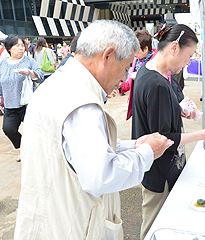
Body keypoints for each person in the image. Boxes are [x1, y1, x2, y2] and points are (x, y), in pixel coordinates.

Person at [14, 20, 173, 240]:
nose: (124, 79)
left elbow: (80, 151)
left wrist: (134, 145)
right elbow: (101, 176)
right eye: (126, 68)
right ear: (107, 56)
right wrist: (147, 153)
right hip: (72, 227)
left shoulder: (55, 85)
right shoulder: (83, 105)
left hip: (47, 218)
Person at [131, 24, 205, 240]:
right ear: (174, 47)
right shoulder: (157, 84)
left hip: (162, 166)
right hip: (159, 170)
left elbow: (163, 111)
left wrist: (181, 108)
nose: (189, 62)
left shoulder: (158, 74)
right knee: (154, 227)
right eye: (189, 55)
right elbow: (165, 139)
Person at [0, 35, 44, 162]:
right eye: (17, 45)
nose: (21, 48)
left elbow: (40, 77)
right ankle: (24, 148)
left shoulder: (29, 61)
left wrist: (30, 73)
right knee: (8, 129)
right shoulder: (2, 64)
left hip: (28, 103)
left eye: (22, 45)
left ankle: (35, 151)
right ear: (9, 48)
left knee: (35, 130)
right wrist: (1, 99)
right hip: (10, 104)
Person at [119, 29, 160, 119]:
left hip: (152, 103)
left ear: (146, 49)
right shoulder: (136, 60)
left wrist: (141, 76)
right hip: (137, 102)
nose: (134, 54)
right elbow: (130, 82)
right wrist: (120, 87)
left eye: (136, 50)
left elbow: (162, 83)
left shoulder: (158, 60)